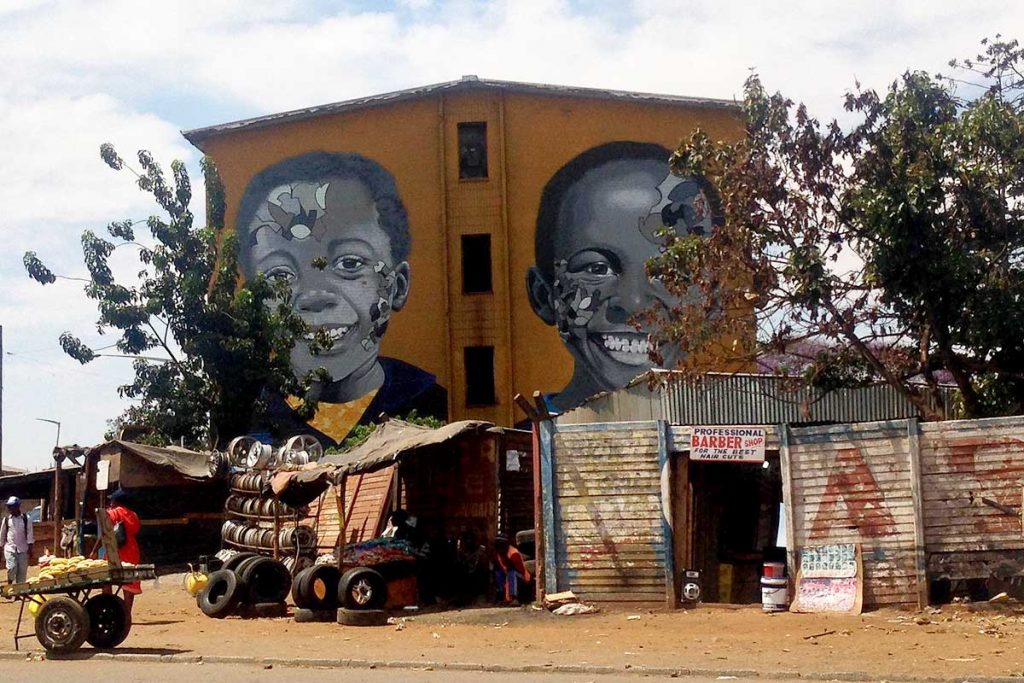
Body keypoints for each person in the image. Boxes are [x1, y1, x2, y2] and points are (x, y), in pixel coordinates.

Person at [236, 151, 447, 447]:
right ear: (255, 304)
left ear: (396, 287)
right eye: (279, 276)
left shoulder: (430, 406)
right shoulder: (247, 415)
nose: (315, 296)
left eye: (349, 264)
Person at [527, 142, 723, 412]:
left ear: (714, 299)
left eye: (671, 272)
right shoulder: (520, 451)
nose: (634, 303)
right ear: (542, 295)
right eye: (597, 269)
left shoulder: (725, 444)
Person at [105, 488, 142, 617]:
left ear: (116, 502)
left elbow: (105, 532)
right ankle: (126, 615)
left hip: (115, 550)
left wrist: (94, 550)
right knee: (129, 584)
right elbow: (136, 530)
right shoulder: (134, 515)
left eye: (112, 500)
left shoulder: (113, 513)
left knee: (106, 580)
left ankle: (108, 610)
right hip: (132, 550)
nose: (110, 503)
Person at [1, 496, 33, 585]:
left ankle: (19, 591)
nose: (10, 509)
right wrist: (0, 547)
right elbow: (2, 534)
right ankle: (10, 584)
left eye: (12, 506)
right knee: (12, 567)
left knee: (22, 570)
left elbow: (30, 533)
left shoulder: (26, 519)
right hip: (10, 548)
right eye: (9, 507)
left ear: (18, 507)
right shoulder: (7, 519)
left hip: (23, 548)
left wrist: (30, 547)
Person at [492, 536, 532, 605]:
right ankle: (500, 597)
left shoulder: (513, 554)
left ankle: (514, 597)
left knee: (511, 572)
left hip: (521, 577)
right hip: (507, 575)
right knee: (498, 573)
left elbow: (520, 570)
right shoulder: (499, 554)